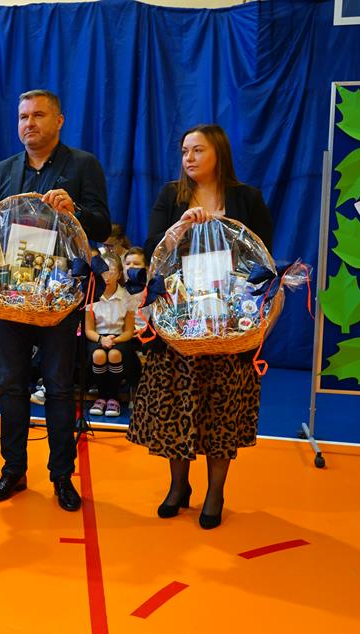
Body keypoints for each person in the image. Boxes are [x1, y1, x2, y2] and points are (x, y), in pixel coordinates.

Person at [127, 123, 274, 529]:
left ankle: (215, 492)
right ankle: (178, 486)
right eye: (184, 151)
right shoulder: (171, 197)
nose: (188, 158)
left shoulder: (247, 199)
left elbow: (263, 260)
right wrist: (180, 228)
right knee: (176, 406)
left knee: (222, 408)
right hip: (179, 323)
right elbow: (152, 251)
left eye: (198, 150)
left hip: (230, 325)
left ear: (218, 153)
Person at [0, 89, 111, 512]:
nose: (29, 123)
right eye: (23, 117)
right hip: (11, 298)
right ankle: (13, 470)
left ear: (59, 120)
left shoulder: (83, 166)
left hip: (60, 300)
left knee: (58, 388)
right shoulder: (3, 170)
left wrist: (76, 211)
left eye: (38, 115)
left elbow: (102, 227)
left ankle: (62, 476)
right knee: (12, 386)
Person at [84, 254, 135, 418]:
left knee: (114, 354)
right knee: (98, 355)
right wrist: (102, 339)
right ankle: (101, 397)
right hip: (98, 337)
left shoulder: (127, 296)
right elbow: (89, 330)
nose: (107, 277)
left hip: (120, 338)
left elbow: (129, 331)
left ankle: (113, 397)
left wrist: (114, 340)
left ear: (119, 274)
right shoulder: (92, 295)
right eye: (104, 272)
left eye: (111, 272)